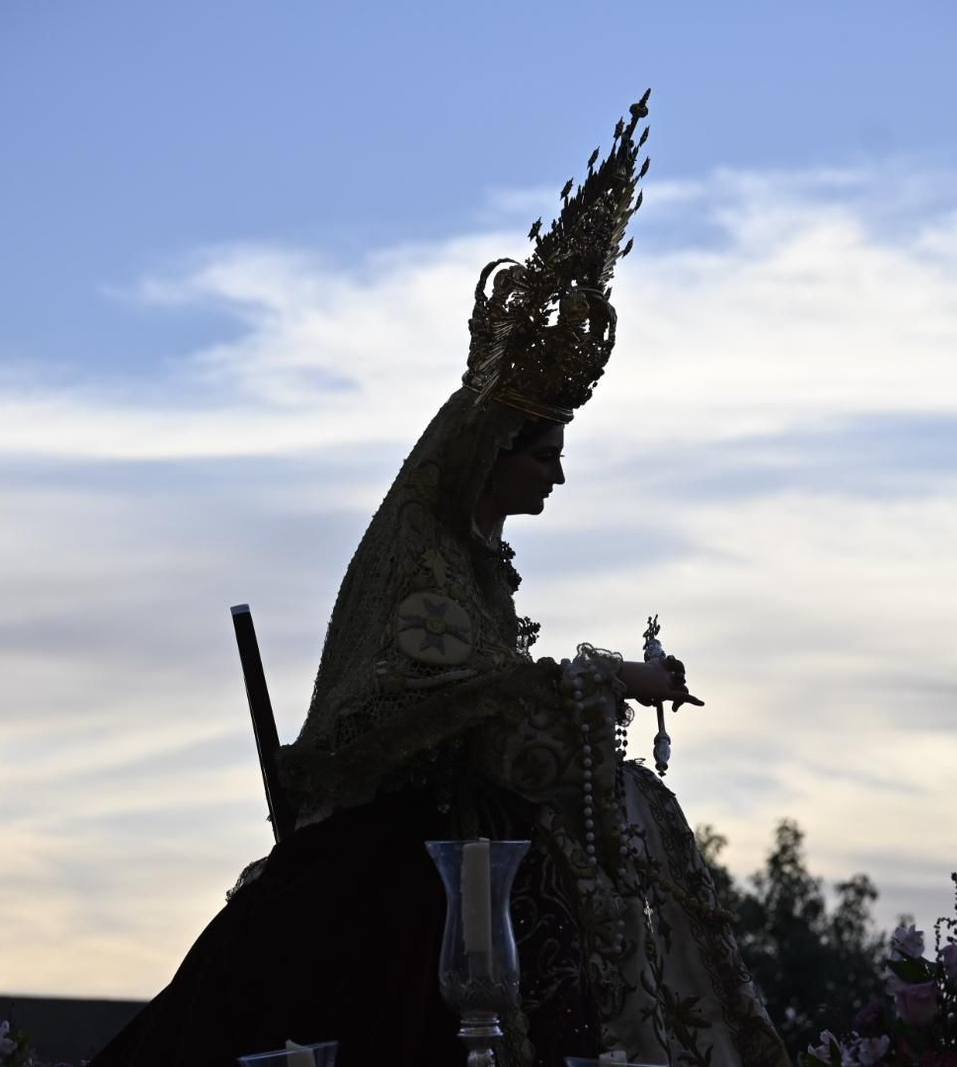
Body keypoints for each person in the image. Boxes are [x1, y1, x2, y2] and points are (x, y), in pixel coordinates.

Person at [89, 91, 790, 1067]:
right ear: (492, 454)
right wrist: (612, 681)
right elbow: (453, 703)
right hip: (411, 874)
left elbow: (494, 701)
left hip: (470, 848)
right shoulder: (426, 568)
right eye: (544, 454)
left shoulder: (471, 567)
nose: (556, 476)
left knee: (636, 821)